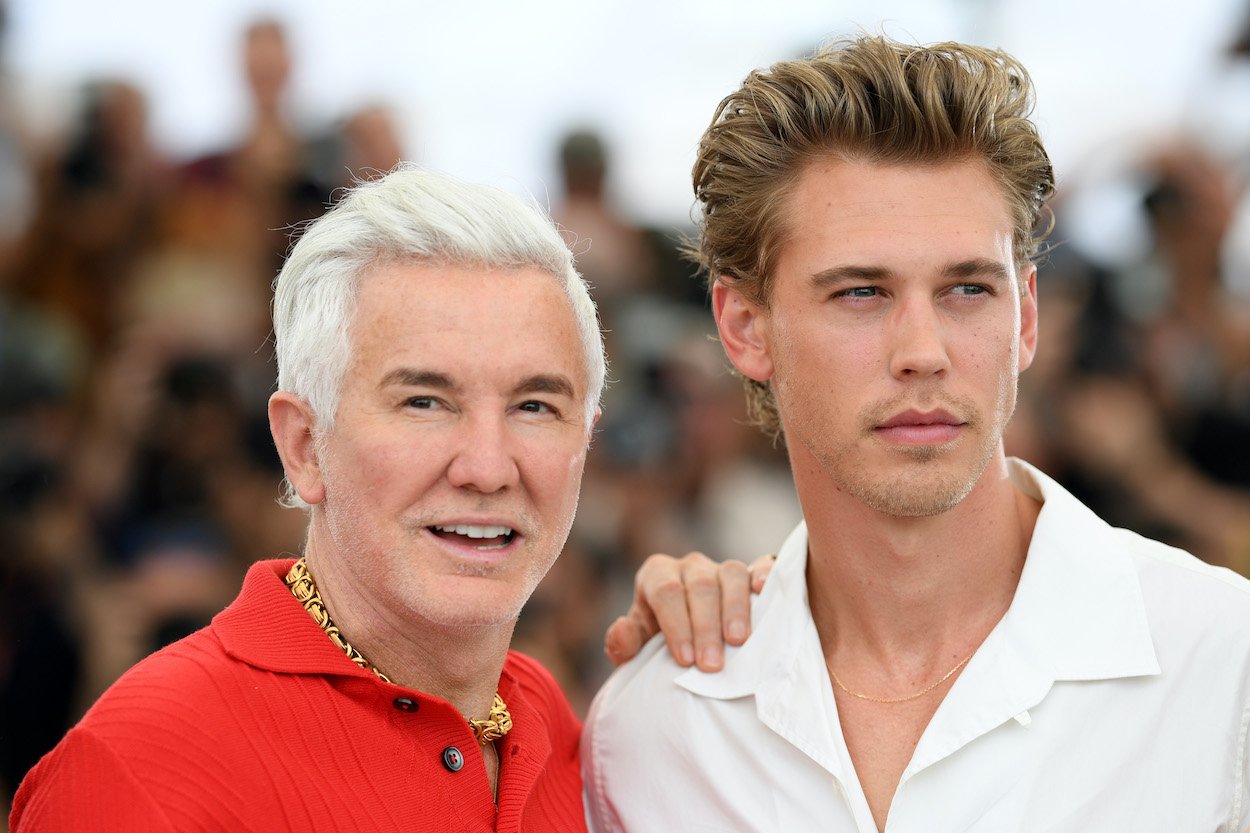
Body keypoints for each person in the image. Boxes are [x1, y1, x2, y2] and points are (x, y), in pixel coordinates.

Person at [582, 35, 1250, 832]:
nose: (924, 352)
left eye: (968, 287)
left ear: (1025, 315)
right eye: (861, 292)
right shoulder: (653, 730)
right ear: (745, 326)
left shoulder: (1222, 665)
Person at [9, 165, 759, 831]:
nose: (489, 466)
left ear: (585, 443)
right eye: (425, 401)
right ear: (304, 444)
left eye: (535, 406)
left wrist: (740, 635)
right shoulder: (138, 775)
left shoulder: (581, 742)